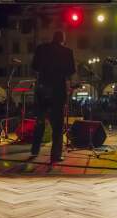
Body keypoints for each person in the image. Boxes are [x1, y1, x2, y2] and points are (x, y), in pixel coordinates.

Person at [30, 31, 76, 163]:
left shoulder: (41, 48)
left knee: (40, 120)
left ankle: (34, 149)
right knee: (57, 124)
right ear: (63, 39)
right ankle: (55, 155)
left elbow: (34, 66)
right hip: (57, 90)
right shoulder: (67, 51)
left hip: (42, 88)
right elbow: (71, 71)